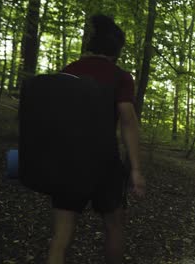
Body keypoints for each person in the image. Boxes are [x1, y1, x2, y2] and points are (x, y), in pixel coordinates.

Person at [47, 14, 145, 264]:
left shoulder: (67, 72)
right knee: (114, 226)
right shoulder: (120, 76)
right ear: (116, 50)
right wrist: (135, 169)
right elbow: (127, 121)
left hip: (67, 163)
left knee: (61, 235)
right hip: (105, 163)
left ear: (92, 45)